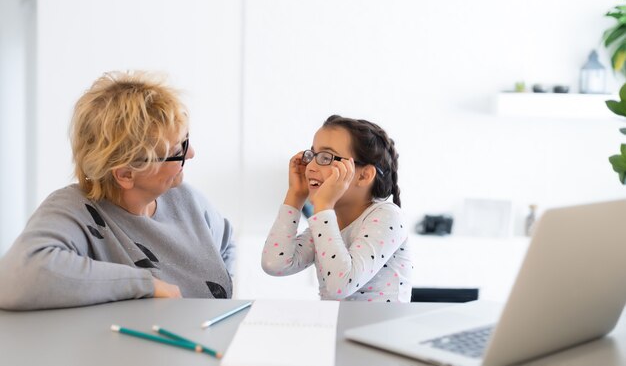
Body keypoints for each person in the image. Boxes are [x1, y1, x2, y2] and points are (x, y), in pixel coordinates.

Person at [0, 71, 235, 310]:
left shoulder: (187, 200)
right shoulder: (75, 210)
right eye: (178, 150)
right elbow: (17, 277)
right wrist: (146, 285)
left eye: (186, 140)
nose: (191, 153)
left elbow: (227, 243)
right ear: (125, 175)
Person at [261, 115, 412, 302]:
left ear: (364, 176)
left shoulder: (388, 215)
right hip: (336, 330)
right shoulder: (328, 224)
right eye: (312, 155)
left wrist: (323, 206)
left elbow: (340, 286)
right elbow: (274, 264)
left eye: (326, 157)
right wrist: (295, 194)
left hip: (376, 330)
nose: (311, 166)